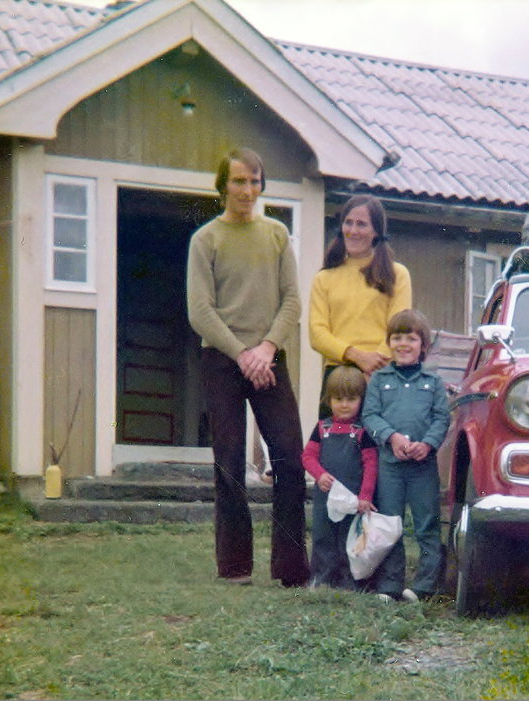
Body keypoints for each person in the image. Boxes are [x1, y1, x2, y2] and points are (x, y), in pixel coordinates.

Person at [186, 147, 309, 587]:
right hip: (223, 360)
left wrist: (267, 347)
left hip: (269, 358)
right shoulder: (206, 240)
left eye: (254, 181)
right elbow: (200, 311)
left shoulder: (276, 235)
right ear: (223, 185)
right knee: (230, 461)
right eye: (239, 181)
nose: (247, 189)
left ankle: (291, 569)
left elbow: (292, 300)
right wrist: (242, 354)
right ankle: (235, 566)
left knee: (290, 459)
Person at [362, 309, 450, 602]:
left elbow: (442, 418)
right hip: (390, 466)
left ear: (423, 345)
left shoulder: (433, 382)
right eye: (397, 338)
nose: (403, 344)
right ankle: (390, 584)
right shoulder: (379, 380)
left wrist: (428, 444)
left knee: (427, 523)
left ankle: (425, 585)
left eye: (411, 338)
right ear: (389, 342)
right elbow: (370, 415)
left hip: (423, 467)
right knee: (390, 524)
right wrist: (392, 437)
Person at [309, 194, 412, 415]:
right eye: (348, 222)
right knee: (336, 439)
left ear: (376, 231)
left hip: (382, 375)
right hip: (338, 381)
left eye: (362, 224)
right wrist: (357, 357)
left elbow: (399, 328)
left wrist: (373, 368)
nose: (353, 230)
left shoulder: (398, 274)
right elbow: (317, 334)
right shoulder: (324, 278)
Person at [301, 365, 378, 589]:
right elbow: (308, 456)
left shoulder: (363, 431)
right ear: (328, 399)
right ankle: (321, 577)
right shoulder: (321, 428)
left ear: (361, 400)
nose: (344, 405)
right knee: (323, 535)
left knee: (350, 538)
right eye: (338, 399)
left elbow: (371, 464)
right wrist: (319, 475)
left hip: (353, 499)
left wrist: (365, 496)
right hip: (325, 497)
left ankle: (349, 580)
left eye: (351, 399)